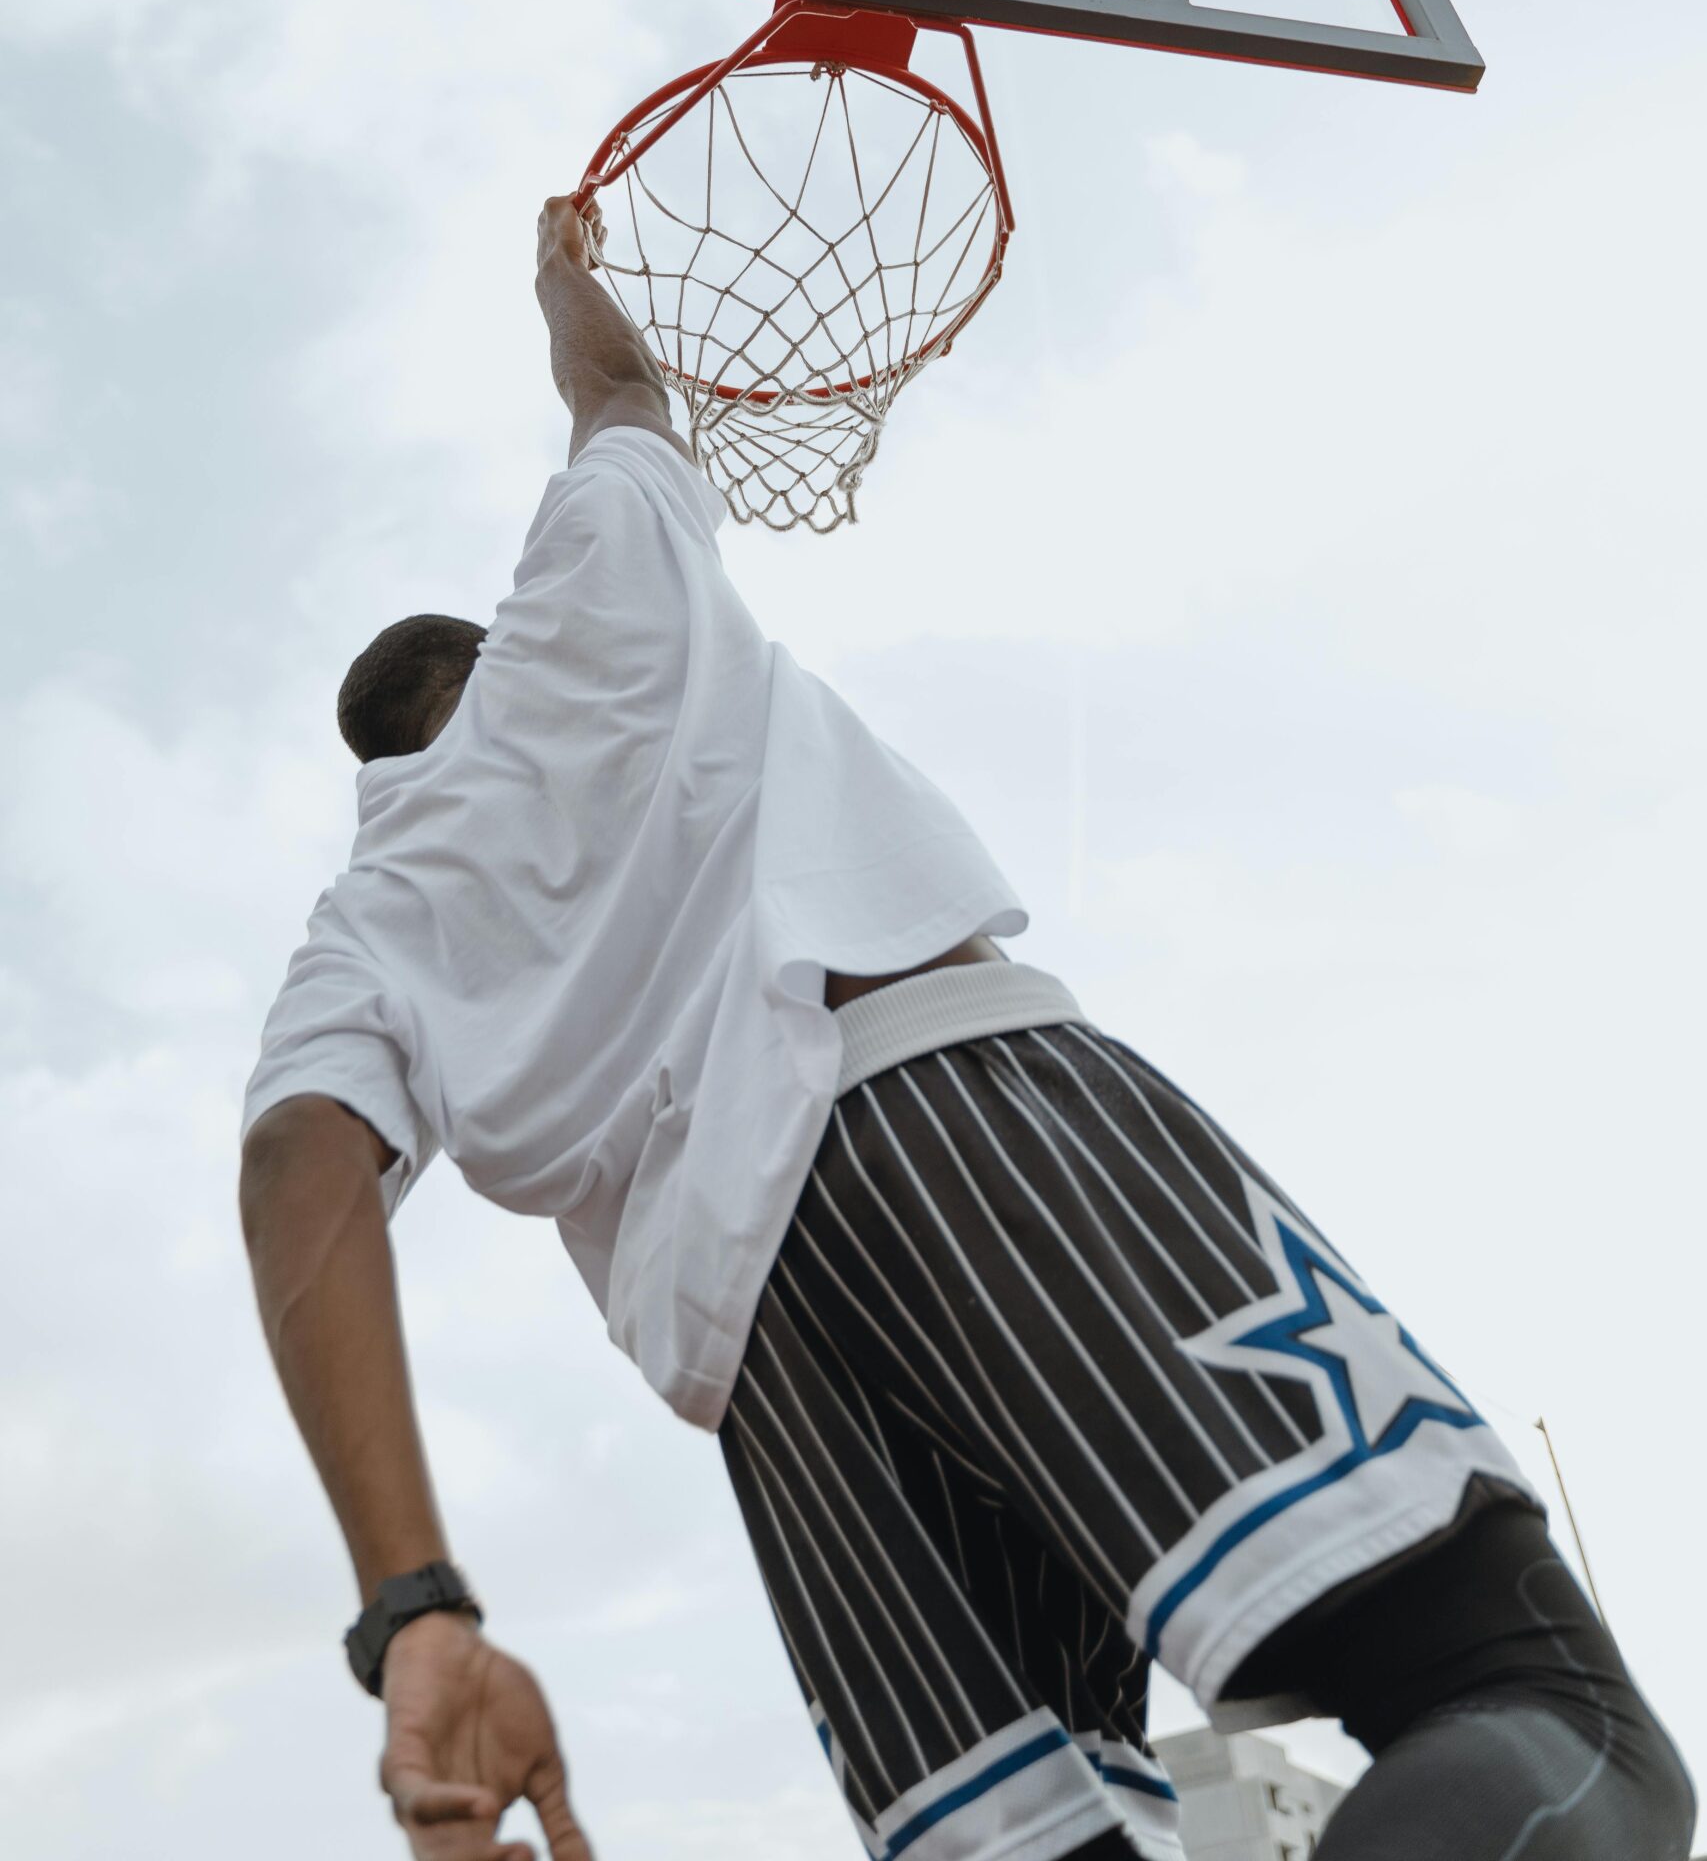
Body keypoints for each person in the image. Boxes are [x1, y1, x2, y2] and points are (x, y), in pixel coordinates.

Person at [239, 194, 1695, 1861]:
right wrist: (562, 282)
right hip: (944, 1114)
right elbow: (615, 396)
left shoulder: (367, 918)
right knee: (1524, 1705)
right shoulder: (586, 596)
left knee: (1054, 1838)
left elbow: (297, 1164)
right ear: (484, 653)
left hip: (769, 1359)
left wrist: (413, 1603)